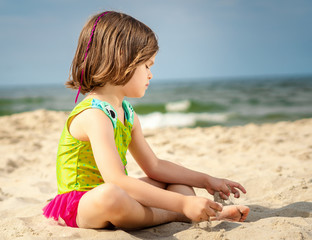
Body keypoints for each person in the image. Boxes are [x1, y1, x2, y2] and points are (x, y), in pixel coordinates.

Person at [43, 10, 250, 229]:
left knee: (175, 177)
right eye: (147, 65)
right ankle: (177, 214)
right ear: (123, 59)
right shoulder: (95, 115)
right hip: (82, 204)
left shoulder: (126, 112)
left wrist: (207, 180)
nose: (151, 74)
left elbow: (154, 166)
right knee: (111, 194)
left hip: (118, 194)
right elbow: (116, 180)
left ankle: (187, 211)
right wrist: (182, 203)